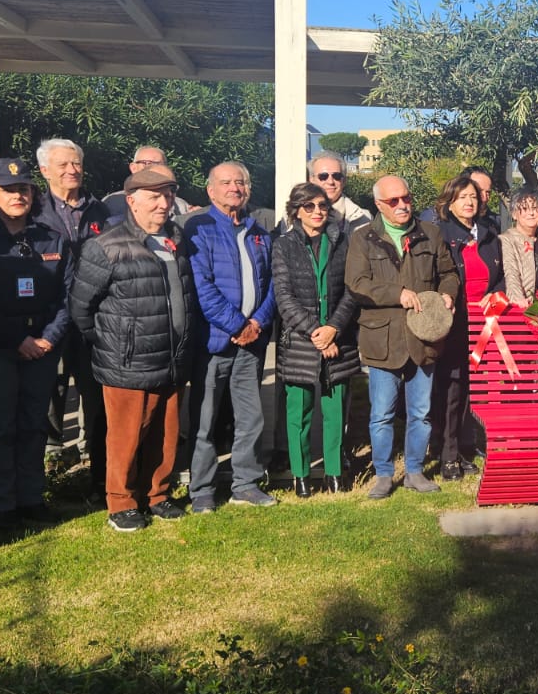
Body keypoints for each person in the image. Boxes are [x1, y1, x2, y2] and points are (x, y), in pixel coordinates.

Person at [70, 168, 199, 532]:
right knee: (126, 435)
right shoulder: (106, 245)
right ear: (132, 201)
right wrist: (115, 342)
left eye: (168, 195)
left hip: (171, 356)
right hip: (127, 360)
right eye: (154, 197)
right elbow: (81, 308)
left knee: (166, 432)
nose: (163, 203)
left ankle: (157, 495)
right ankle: (121, 502)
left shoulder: (176, 239)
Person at [0, 158, 71, 531]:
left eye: (23, 188)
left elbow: (67, 297)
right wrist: (18, 338)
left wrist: (48, 338)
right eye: (8, 189)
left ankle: (31, 497)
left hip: (41, 347)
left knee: (33, 424)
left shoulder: (52, 238)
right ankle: (2, 504)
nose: (18, 195)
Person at [345, 175, 460, 499]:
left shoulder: (431, 234)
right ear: (379, 205)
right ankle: (383, 474)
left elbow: (449, 273)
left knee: (420, 413)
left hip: (424, 339)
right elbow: (356, 284)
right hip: (383, 341)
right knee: (381, 413)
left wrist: (447, 294)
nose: (402, 205)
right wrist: (398, 293)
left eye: (406, 198)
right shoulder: (362, 238)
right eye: (393, 201)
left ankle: (414, 470)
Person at [183, 162, 277, 511]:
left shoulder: (259, 231)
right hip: (214, 342)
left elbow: (271, 284)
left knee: (250, 417)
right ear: (210, 190)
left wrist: (258, 323)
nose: (234, 188)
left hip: (252, 343)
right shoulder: (199, 228)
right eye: (226, 183)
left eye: (240, 182)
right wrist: (237, 325)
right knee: (205, 420)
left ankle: (246, 483)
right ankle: (203, 490)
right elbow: (201, 286)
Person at [273, 183, 362, 496]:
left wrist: (334, 328)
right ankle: (300, 475)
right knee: (299, 412)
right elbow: (284, 297)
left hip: (339, 339)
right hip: (300, 341)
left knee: (335, 410)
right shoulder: (284, 245)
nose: (317, 212)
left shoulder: (343, 241)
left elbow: (352, 290)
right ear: (296, 211)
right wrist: (316, 332)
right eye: (308, 207)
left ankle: (335, 473)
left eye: (322, 206)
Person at [34, 138, 111, 484]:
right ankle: (48, 464)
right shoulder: (34, 210)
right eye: (63, 164)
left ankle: (99, 469)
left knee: (95, 394)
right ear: (44, 170)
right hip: (48, 315)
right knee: (48, 390)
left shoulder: (100, 211)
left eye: (76, 163)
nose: (71, 170)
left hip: (92, 316)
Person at [431, 174, 505, 479]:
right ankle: (447, 454)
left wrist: (494, 295)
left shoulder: (489, 233)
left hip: (484, 323)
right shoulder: (440, 234)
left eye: (473, 196)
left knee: (475, 390)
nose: (469, 202)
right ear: (450, 202)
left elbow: (499, 275)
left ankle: (466, 446)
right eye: (462, 197)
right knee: (451, 389)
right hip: (455, 322)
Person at [102, 145, 192, 217]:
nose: (152, 169)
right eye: (146, 163)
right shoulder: (113, 203)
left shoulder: (181, 206)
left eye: (159, 164)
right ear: (133, 167)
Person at [308, 151, 371, 234]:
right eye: (323, 176)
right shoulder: (296, 215)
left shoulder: (363, 218)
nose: (330, 181)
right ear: (311, 180)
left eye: (336, 176)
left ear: (344, 181)